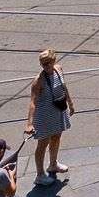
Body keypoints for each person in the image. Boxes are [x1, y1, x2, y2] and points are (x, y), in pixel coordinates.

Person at [25, 49, 74, 183]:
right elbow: (32, 102)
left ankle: (53, 164)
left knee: (56, 137)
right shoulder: (38, 81)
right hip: (44, 116)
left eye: (48, 62)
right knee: (43, 144)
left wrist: (70, 103)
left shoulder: (59, 69)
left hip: (58, 111)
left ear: (54, 61)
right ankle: (40, 175)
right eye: (43, 63)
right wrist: (29, 124)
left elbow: (64, 87)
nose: (45, 66)